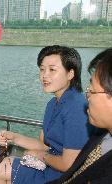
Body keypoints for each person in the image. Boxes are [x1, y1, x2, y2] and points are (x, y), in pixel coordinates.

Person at [0, 45, 92, 184]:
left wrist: (42, 156)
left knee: (4, 167)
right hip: (51, 166)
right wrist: (14, 138)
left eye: (52, 70)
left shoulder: (77, 106)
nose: (44, 75)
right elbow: (45, 145)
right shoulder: (52, 104)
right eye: (42, 69)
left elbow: (68, 163)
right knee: (6, 166)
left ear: (70, 74)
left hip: (63, 176)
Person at [48, 48, 112, 184]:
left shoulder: (75, 106)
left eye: (92, 91)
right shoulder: (100, 136)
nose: (87, 96)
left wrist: (42, 156)